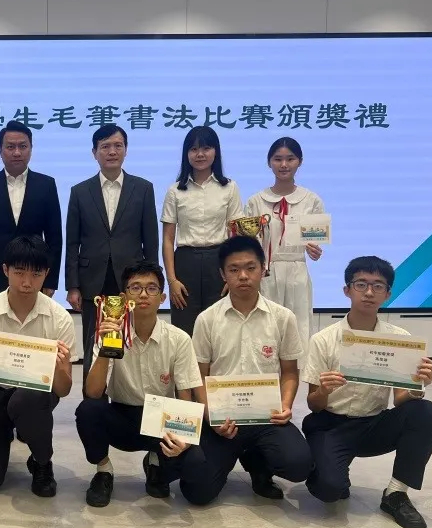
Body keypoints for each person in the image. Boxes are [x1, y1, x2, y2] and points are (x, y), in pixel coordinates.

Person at [301, 256, 432, 528]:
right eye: (361, 284)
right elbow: (313, 405)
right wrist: (324, 390)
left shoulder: (399, 339)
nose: (368, 292)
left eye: (378, 286)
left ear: (387, 294)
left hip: (373, 424)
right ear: (347, 290)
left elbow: (400, 400)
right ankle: (331, 469)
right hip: (331, 425)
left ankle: (396, 493)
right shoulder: (323, 340)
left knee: (427, 412)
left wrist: (417, 385)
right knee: (329, 490)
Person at [184, 235, 313, 505]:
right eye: (234, 269)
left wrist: (285, 406)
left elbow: (290, 372)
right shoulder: (207, 319)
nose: (243, 276)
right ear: (223, 274)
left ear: (263, 269)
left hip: (266, 419)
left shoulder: (283, 318)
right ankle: (230, 454)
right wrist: (211, 418)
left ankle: (257, 464)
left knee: (298, 464)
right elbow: (199, 376)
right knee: (197, 492)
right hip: (222, 420)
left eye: (250, 267)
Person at [77, 260, 206, 507]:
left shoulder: (178, 339)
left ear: (162, 298)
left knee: (195, 464)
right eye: (135, 288)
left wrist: (184, 440)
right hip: (122, 417)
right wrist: (106, 348)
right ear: (124, 298)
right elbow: (93, 392)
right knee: (88, 410)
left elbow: (185, 396)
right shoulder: (111, 333)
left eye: (152, 288)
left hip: (161, 421)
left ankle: (155, 462)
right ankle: (104, 471)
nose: (144, 294)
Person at [0, 236, 75, 497]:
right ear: (5, 270)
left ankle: (42, 461)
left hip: (36, 396)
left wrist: (60, 367)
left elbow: (64, 390)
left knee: (27, 399)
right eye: (19, 272)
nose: (27, 282)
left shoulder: (59, 318)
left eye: (36, 274)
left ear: (46, 274)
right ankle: (2, 433)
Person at [67, 124, 159, 391]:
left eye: (118, 145)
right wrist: (72, 285)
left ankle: (127, 394)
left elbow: (150, 240)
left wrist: (153, 281)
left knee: (130, 340)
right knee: (92, 341)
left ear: (126, 150)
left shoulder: (143, 188)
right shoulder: (79, 191)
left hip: (131, 281)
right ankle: (92, 400)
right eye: (105, 146)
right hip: (91, 280)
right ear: (94, 152)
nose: (112, 151)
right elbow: (72, 243)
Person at [244, 137, 325, 357]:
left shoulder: (311, 200)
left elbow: (315, 240)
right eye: (278, 159)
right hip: (266, 272)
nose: (284, 165)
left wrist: (314, 251)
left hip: (297, 271)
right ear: (269, 162)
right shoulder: (256, 201)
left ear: (300, 161)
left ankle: (298, 374)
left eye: (290, 159)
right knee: (265, 325)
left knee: (299, 325)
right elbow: (248, 242)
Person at [161, 126, 241, 337]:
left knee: (220, 330)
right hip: (185, 263)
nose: (200, 154)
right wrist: (172, 280)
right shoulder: (175, 190)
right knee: (184, 330)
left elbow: (236, 236)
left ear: (216, 152)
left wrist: (232, 274)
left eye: (206, 148)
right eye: (194, 149)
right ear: (186, 154)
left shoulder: (229, 187)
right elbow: (168, 240)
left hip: (219, 263)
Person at [0, 120, 62, 301]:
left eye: (23, 146)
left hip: (34, 276)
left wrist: (51, 280)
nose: (17, 152)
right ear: (0, 150)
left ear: (31, 149)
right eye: (10, 147)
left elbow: (55, 238)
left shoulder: (47, 185)